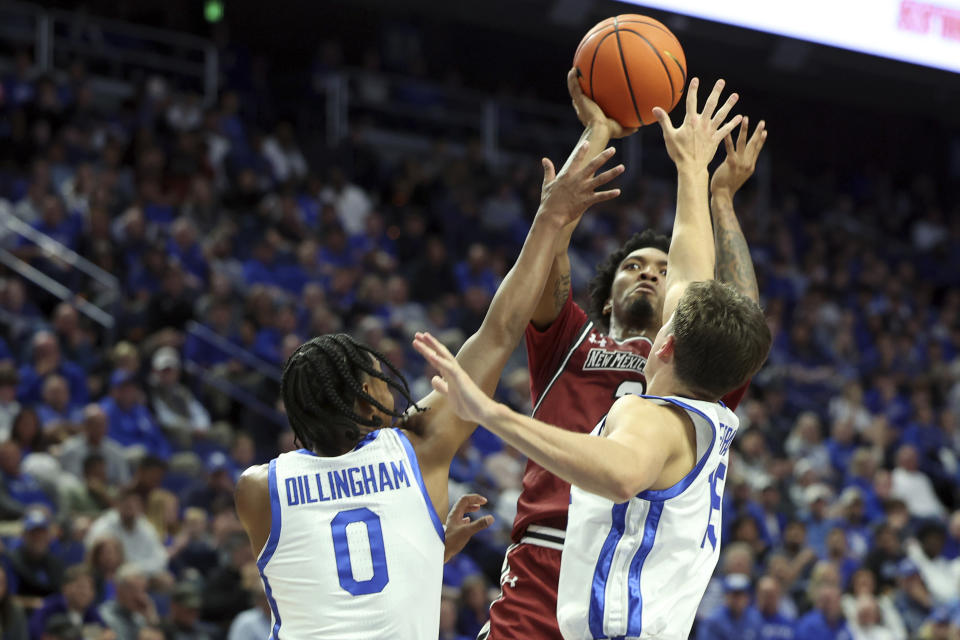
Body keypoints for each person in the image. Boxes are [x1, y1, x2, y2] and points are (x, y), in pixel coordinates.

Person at [413, 78, 771, 640]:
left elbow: (736, 313)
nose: (649, 270)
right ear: (605, 296)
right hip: (546, 552)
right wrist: (596, 137)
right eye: (633, 265)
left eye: (660, 265)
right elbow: (549, 244)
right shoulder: (572, 343)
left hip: (629, 568)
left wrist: (716, 196)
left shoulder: (697, 377)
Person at [234, 132, 626, 637]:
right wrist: (550, 218)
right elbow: (502, 328)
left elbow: (320, 579)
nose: (389, 386)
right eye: (377, 380)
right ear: (361, 401)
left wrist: (424, 548)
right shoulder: (416, 451)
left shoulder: (257, 488)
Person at [696, 574, 763, 640]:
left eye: (741, 595)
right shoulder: (713, 620)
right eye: (734, 595)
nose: (737, 600)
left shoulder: (756, 618)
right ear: (726, 596)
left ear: (747, 597)